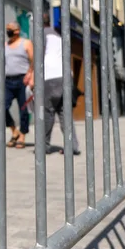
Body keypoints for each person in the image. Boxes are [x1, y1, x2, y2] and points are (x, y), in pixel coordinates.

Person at [32, 13, 81, 155]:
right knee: (65, 113)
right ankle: (72, 146)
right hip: (65, 77)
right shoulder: (59, 37)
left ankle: (44, 145)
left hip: (50, 76)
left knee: (47, 112)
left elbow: (38, 57)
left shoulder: (41, 35)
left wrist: (33, 76)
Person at [4, 22, 33, 149]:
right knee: (1, 107)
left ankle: (22, 136)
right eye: (7, 29)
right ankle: (14, 131)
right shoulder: (5, 45)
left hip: (23, 80)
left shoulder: (26, 43)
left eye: (10, 29)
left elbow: (34, 61)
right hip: (8, 81)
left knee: (24, 110)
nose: (7, 31)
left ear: (17, 30)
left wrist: (31, 75)